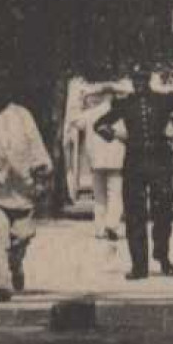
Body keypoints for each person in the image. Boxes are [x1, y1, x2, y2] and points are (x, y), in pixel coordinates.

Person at [94, 67, 173, 280]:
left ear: (149, 79)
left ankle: (162, 256)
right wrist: (113, 134)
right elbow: (100, 124)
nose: (139, 83)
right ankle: (139, 265)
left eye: (142, 78)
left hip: (160, 161)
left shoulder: (165, 101)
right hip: (134, 162)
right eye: (135, 79)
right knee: (135, 214)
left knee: (163, 212)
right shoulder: (125, 104)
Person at [0, 78, 52, 299]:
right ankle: (2, 283)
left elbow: (37, 147)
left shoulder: (23, 115)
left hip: (24, 189)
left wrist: (42, 170)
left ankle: (15, 265)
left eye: (0, 90)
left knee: (22, 237)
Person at [67, 86, 125, 240]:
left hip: (96, 159)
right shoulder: (121, 114)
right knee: (116, 194)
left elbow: (74, 121)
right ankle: (112, 225)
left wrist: (81, 102)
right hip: (117, 158)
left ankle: (100, 228)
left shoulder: (90, 113)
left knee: (99, 195)